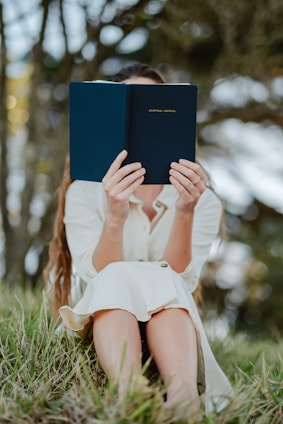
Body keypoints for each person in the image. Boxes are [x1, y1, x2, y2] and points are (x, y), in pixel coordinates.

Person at [44, 63, 233, 419]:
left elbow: (180, 279)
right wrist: (114, 216)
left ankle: (182, 399)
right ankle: (131, 393)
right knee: (114, 276)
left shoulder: (202, 199)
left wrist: (185, 210)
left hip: (172, 323)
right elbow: (95, 275)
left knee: (162, 279)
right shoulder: (84, 190)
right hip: (106, 323)